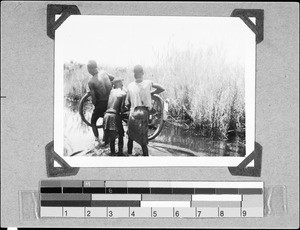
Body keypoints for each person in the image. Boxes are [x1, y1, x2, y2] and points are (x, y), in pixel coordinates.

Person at [125, 65, 165, 156]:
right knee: (143, 141)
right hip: (144, 113)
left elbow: (127, 103)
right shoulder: (148, 83)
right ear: (142, 73)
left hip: (133, 113)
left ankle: (129, 155)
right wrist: (151, 93)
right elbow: (162, 88)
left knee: (130, 138)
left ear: (134, 74)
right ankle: (146, 158)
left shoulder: (130, 85)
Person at [87, 60, 114, 147]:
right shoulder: (104, 73)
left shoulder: (91, 82)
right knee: (107, 120)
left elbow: (94, 99)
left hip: (102, 103)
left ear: (90, 69)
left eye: (88, 69)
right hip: (112, 101)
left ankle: (97, 139)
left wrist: (96, 106)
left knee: (93, 121)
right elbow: (113, 78)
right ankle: (107, 138)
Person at [103, 77, 127, 156]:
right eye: (121, 82)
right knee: (121, 134)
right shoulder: (123, 93)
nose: (122, 84)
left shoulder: (111, 91)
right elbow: (122, 109)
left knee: (111, 136)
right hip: (114, 116)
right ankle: (120, 152)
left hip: (106, 115)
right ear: (119, 84)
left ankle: (112, 152)